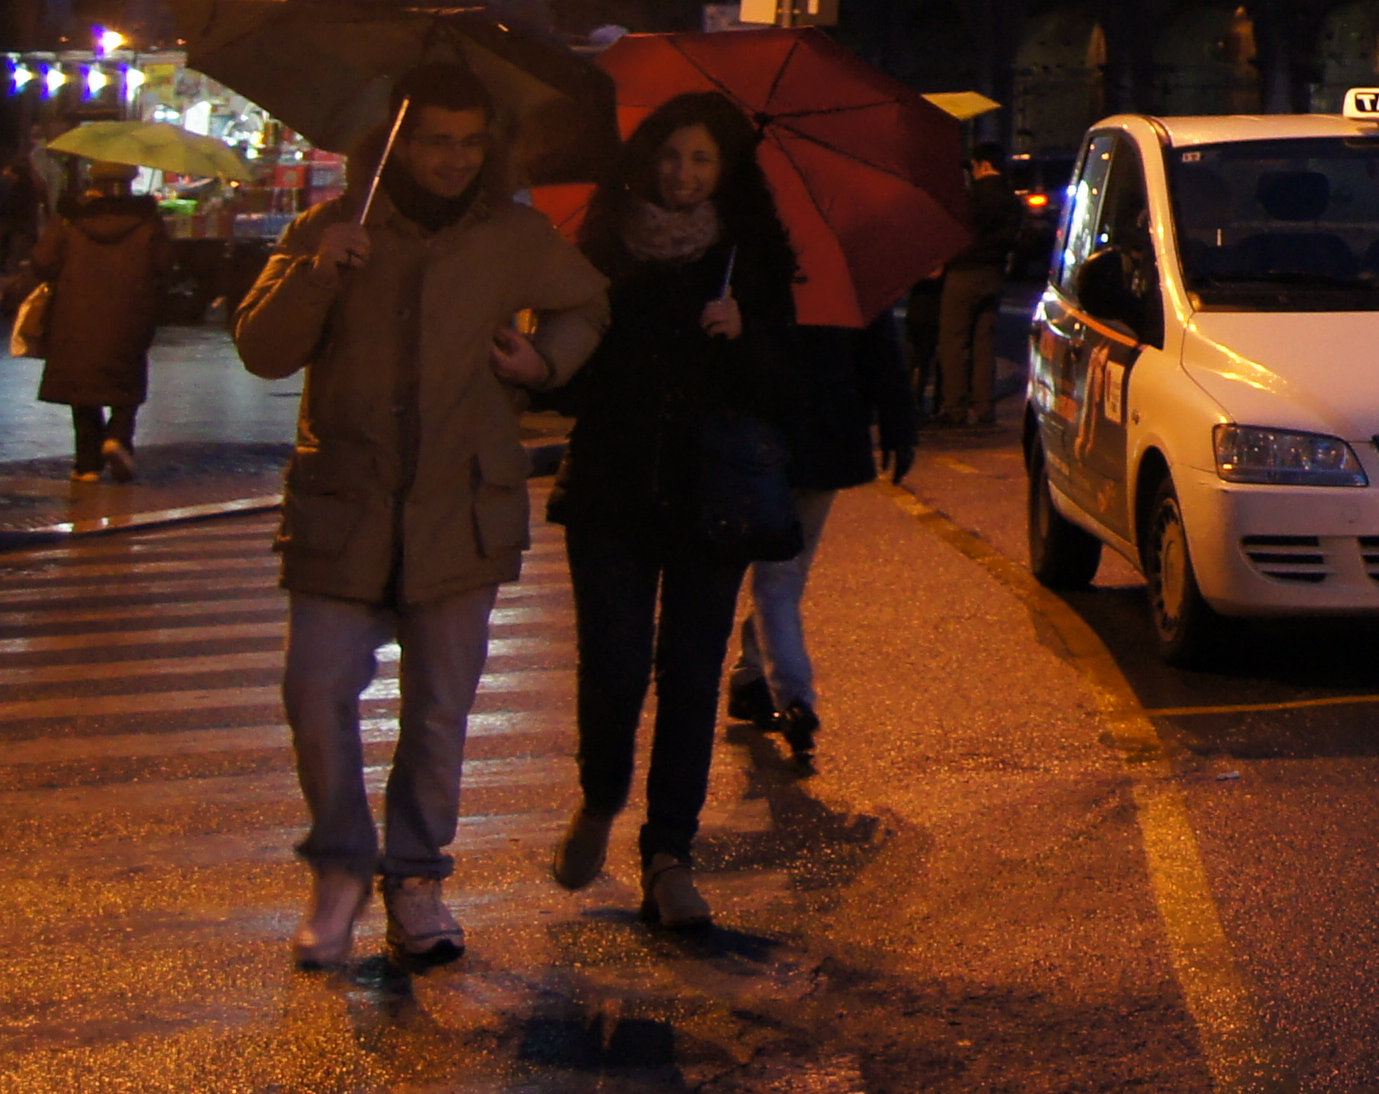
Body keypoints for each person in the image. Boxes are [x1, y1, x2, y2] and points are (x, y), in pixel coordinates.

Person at [230, 63, 610, 972]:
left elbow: (588, 304)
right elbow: (261, 349)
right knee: (314, 692)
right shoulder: (333, 226)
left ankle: (416, 879)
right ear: (397, 143)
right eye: (437, 141)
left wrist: (541, 362)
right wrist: (317, 276)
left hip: (460, 509)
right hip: (346, 509)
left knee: (439, 712)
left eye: (471, 142)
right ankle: (339, 867)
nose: (454, 159)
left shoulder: (513, 235)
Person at [546, 93, 799, 934]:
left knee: (690, 676)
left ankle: (669, 857)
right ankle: (599, 798)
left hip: (711, 498)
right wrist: (539, 358)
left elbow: (785, 390)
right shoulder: (603, 249)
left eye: (700, 159)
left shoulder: (751, 258)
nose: (682, 174)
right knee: (614, 665)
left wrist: (743, 335)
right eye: (669, 156)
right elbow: (572, 381)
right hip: (611, 490)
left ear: (725, 171)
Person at [726, 264, 914, 772]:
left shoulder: (742, 264)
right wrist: (897, 421)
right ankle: (790, 693)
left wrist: (898, 420)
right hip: (814, 437)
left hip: (774, 437)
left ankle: (760, 679)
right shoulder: (840, 266)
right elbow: (879, 347)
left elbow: (877, 344)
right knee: (783, 576)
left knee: (779, 576)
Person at [24, 157, 166, 481]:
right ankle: (117, 438)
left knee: (83, 387)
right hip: (131, 313)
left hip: (75, 313)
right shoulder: (147, 220)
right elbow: (164, 265)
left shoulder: (71, 218)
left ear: (94, 183)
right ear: (130, 182)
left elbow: (43, 263)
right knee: (126, 381)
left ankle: (87, 464)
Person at [927, 152, 1020, 428]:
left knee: (955, 342)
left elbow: (955, 231)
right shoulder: (1011, 199)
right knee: (984, 342)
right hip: (994, 273)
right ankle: (984, 407)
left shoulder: (973, 197)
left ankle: (955, 407)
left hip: (964, 271)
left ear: (984, 165)